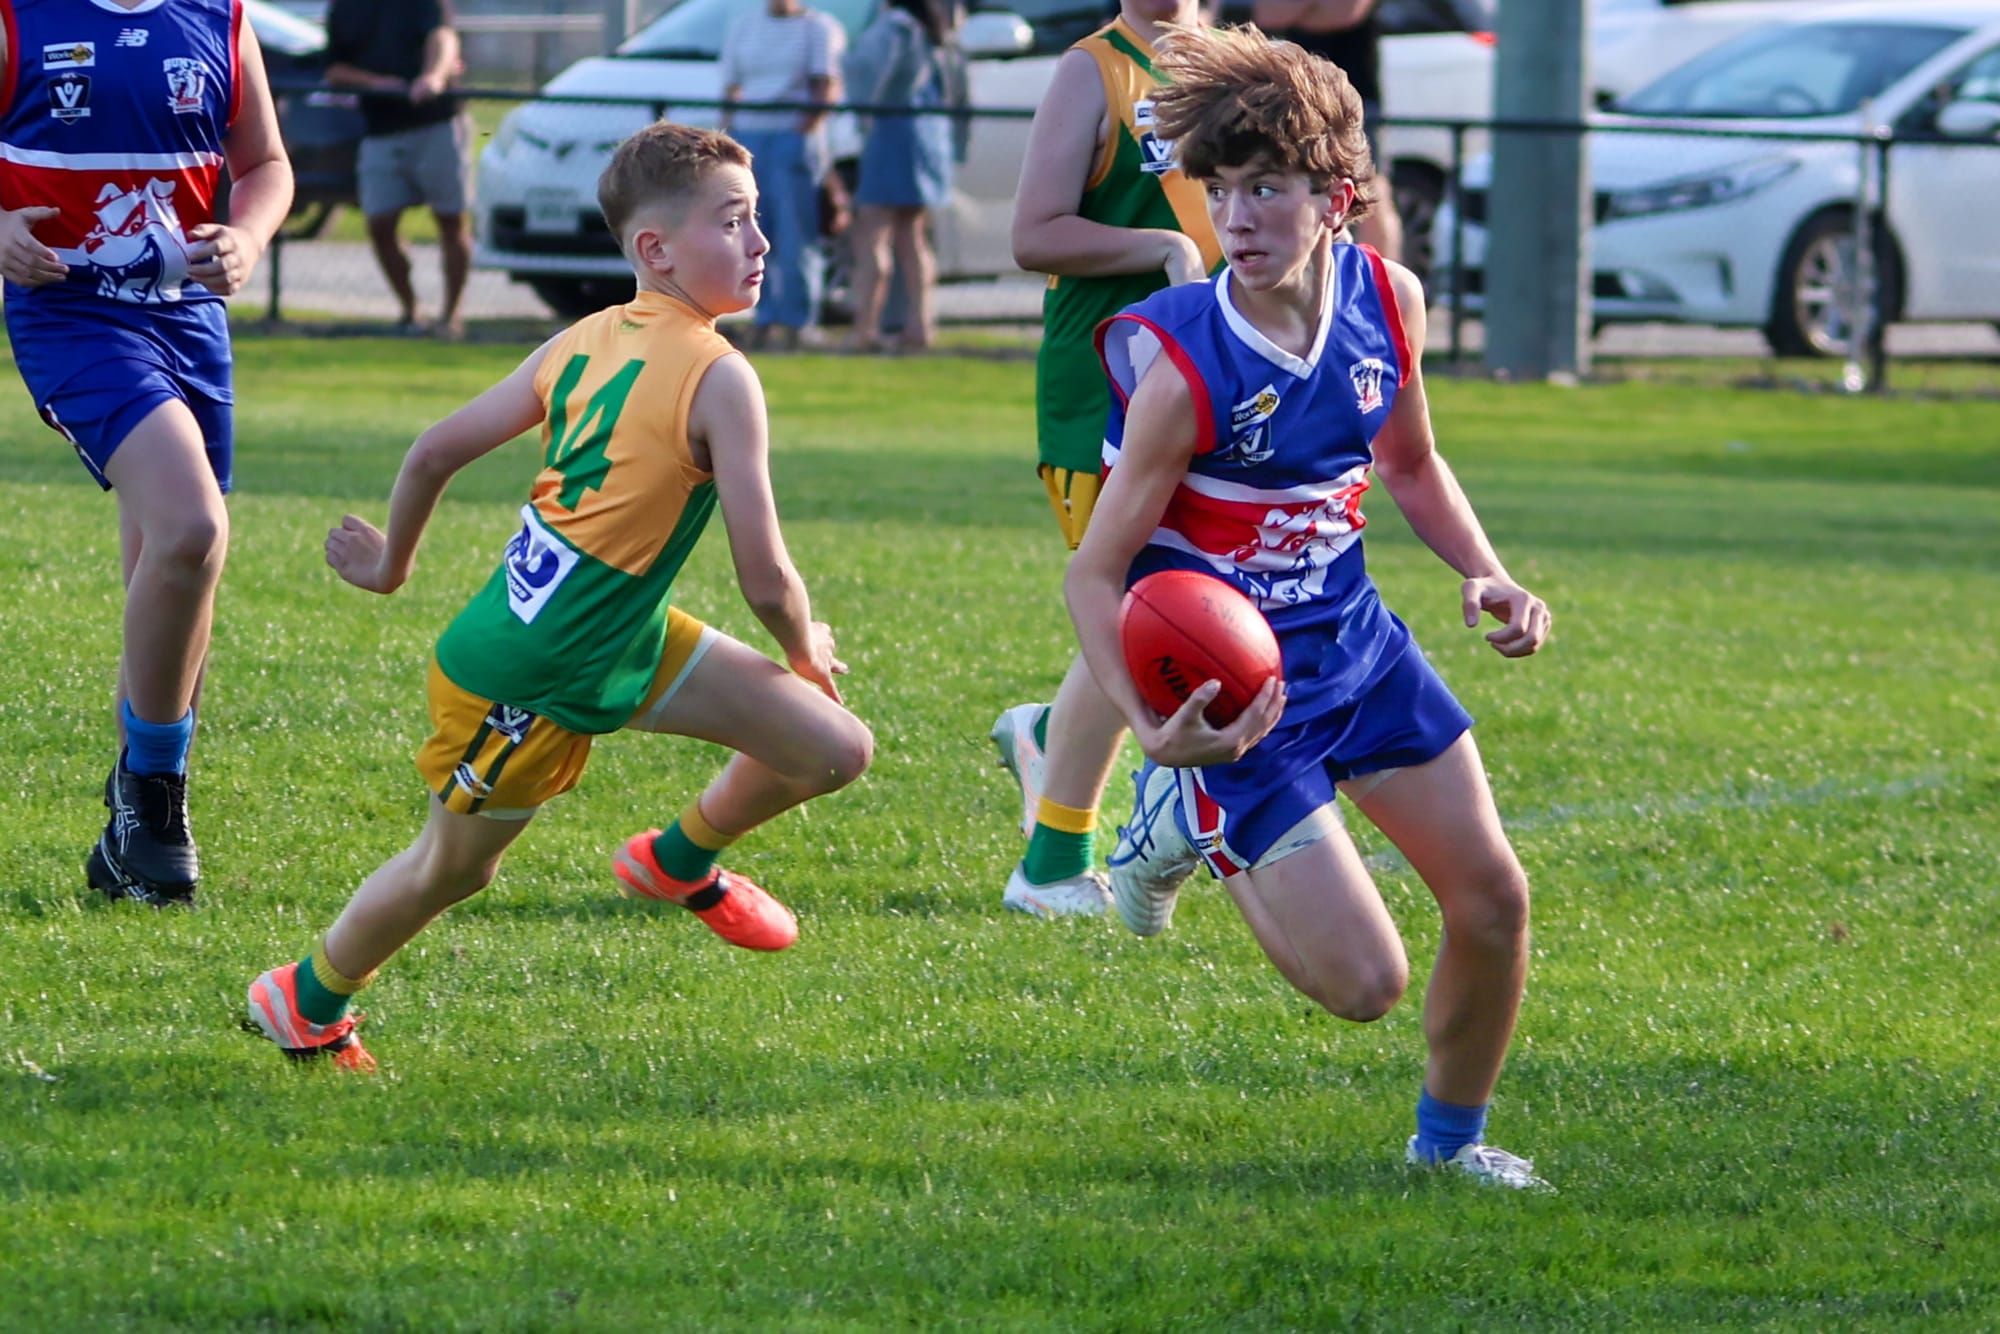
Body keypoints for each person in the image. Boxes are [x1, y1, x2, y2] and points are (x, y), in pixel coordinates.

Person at [245, 123, 873, 1071]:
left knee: (832, 747)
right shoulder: (721, 378)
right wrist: (803, 650)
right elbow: (765, 576)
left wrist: (392, 565)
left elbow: (432, 451)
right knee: (450, 873)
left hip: (618, 633)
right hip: (525, 673)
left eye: (757, 222)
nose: (762, 243)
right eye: (735, 222)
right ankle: (306, 997)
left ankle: (676, 860)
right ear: (653, 250)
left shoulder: (583, 338)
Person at [1064, 25, 1553, 1187]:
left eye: (1267, 188)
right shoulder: (1183, 365)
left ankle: (1449, 1147)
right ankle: (1187, 812)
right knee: (1363, 987)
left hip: (1358, 648)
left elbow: (1413, 464)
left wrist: (1484, 571)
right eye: (1218, 189)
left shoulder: (1389, 299)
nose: (1235, 217)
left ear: (1336, 198)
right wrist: (1148, 725)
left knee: (1492, 901)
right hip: (1237, 691)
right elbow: (1092, 571)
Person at [0, 0, 293, 905]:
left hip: (189, 322)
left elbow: (265, 165)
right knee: (192, 529)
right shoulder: (20, 17)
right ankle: (155, 799)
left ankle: (135, 826)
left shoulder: (223, 16)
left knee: (170, 564)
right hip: (74, 317)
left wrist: (246, 236)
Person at [989, 0, 1225, 920]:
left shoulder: (1248, 62)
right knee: (1135, 608)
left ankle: (1050, 737)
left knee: (1173, 599)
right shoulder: (1093, 69)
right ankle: (1051, 865)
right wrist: (1161, 247)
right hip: (1105, 386)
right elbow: (1032, 234)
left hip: (1217, 380)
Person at [324, 0, 474, 337]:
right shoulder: (345, 8)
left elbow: (443, 38)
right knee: (380, 223)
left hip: (436, 122)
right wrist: (376, 83)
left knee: (451, 220)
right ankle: (410, 311)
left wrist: (433, 77)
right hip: (380, 129)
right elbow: (334, 68)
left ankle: (451, 316)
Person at [721, 0, 846, 352]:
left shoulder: (818, 28)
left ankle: (798, 320)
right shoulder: (744, 27)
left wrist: (803, 132)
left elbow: (826, 86)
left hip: (792, 137)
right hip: (749, 136)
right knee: (754, 234)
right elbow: (731, 88)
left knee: (796, 235)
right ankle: (763, 316)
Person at [844, 0, 962, 353]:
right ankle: (921, 325)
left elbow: (864, 76)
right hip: (928, 137)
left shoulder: (894, 27)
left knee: (872, 233)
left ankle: (865, 327)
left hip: (892, 135)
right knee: (913, 236)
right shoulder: (935, 32)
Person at [1250, 0, 1402, 260]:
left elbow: (1346, 12)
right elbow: (1269, 14)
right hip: (1299, 96)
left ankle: (1381, 286)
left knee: (1372, 193)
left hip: (1356, 98)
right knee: (1300, 184)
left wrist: (1300, 11)